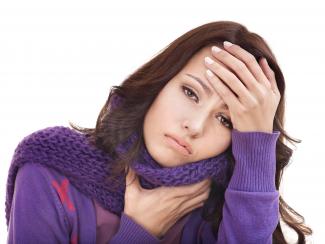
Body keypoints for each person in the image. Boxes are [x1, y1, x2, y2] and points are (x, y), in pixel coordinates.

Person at [5, 20, 312, 243]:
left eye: (226, 121)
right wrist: (138, 232)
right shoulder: (50, 170)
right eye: (191, 93)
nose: (194, 126)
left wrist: (257, 146)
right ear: (160, 82)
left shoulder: (219, 206)